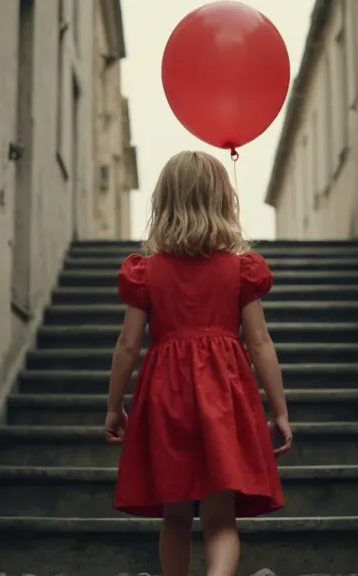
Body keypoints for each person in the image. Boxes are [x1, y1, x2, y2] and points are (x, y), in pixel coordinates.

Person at [103, 150, 293, 576]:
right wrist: (279, 410)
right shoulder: (241, 270)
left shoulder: (145, 272)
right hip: (225, 394)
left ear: (164, 203)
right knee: (221, 520)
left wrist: (115, 406)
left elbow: (128, 345)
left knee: (174, 516)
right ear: (223, 200)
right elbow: (260, 343)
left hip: (165, 394)